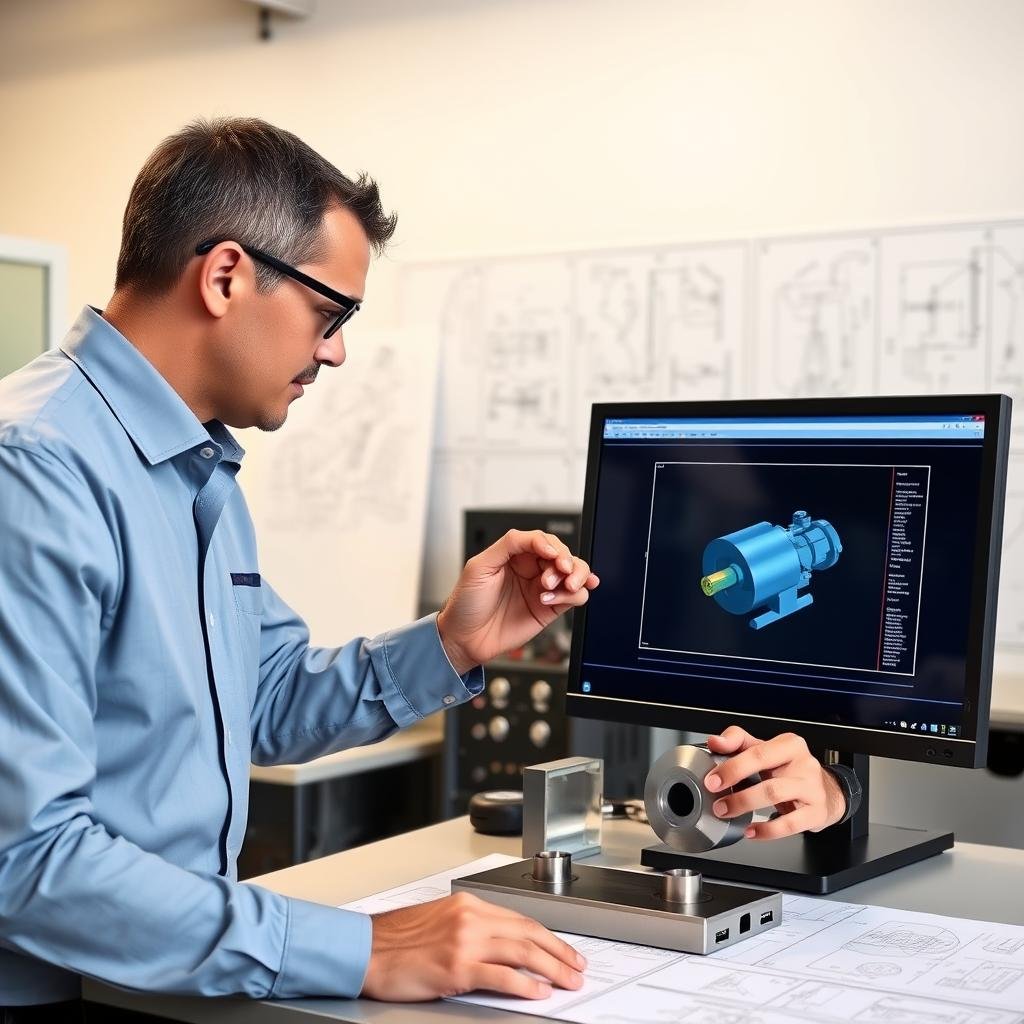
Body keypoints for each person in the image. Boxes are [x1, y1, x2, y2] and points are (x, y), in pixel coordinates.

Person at [0, 118, 852, 1016]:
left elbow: (262, 699)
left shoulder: (192, 469)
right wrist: (357, 948)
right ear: (224, 277)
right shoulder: (37, 470)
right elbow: (25, 861)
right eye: (331, 315)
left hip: (149, 983)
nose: (335, 351)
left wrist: (452, 643)